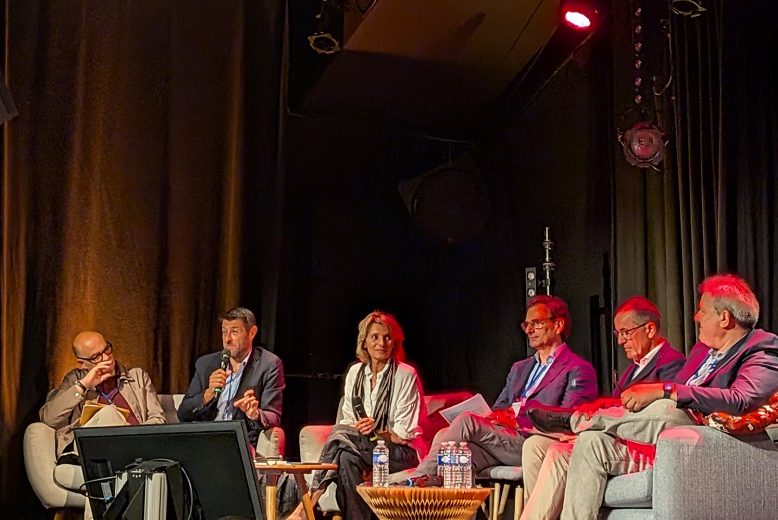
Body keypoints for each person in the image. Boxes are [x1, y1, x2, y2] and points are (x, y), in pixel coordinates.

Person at [527, 274, 778, 520]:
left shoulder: (762, 348)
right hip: (665, 440)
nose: (696, 316)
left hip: (706, 436)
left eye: (703, 310)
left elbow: (742, 400)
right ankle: (587, 426)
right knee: (591, 442)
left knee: (668, 408)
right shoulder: (702, 351)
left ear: (724, 318)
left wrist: (667, 390)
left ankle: (578, 421)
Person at [520, 296, 685, 520]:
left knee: (573, 447)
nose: (621, 341)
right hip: (615, 439)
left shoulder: (671, 364)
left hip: (642, 447)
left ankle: (574, 423)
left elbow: (655, 420)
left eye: (626, 332)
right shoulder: (632, 370)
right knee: (537, 446)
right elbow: (615, 410)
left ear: (650, 329)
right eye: (618, 334)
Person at [407, 295, 599, 480]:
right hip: (503, 440)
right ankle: (452, 510)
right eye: (527, 325)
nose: (529, 330)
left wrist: (517, 420)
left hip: (534, 441)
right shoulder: (519, 368)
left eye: (537, 323)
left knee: (466, 422)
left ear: (558, 325)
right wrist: (496, 417)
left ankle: (415, 480)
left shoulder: (578, 369)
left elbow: (568, 420)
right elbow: (499, 408)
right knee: (457, 456)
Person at [292, 311, 426, 520]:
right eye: (375, 337)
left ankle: (308, 503)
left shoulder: (405, 374)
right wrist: (361, 433)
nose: (381, 343)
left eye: (387, 337)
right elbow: (347, 421)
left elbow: (403, 434)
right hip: (359, 447)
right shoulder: (355, 373)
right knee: (346, 458)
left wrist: (375, 432)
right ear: (364, 342)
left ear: (394, 342)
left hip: (401, 453)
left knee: (340, 437)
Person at [40, 331, 166, 461]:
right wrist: (84, 385)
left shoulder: (137, 376)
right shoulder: (75, 380)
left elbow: (158, 418)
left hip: (135, 447)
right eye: (97, 356)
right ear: (82, 363)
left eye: (106, 349)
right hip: (93, 450)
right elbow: (49, 419)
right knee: (107, 413)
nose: (107, 358)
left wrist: (133, 434)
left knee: (109, 414)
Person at [177, 307, 285, 448]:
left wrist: (255, 414)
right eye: (224, 332)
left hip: (238, 442)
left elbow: (273, 417)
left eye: (234, 332)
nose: (227, 339)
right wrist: (208, 394)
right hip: (204, 439)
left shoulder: (269, 364)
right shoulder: (205, 363)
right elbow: (183, 414)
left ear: (252, 332)